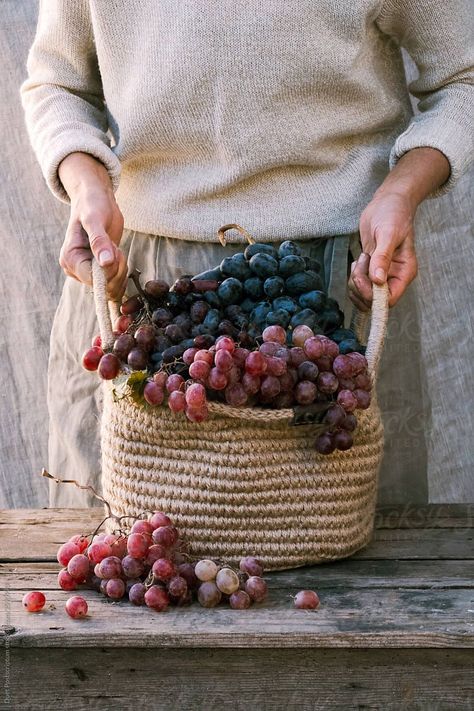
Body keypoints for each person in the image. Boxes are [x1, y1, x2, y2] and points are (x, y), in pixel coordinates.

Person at [20, 1, 473, 507]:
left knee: (362, 562)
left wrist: (400, 193)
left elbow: (463, 79)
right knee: (124, 551)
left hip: (335, 297)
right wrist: (87, 188)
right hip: (139, 294)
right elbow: (58, 84)